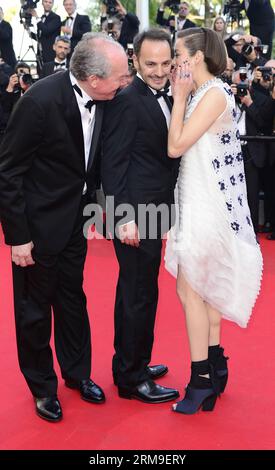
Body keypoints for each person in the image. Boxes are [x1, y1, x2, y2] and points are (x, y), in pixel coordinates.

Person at [0, 33, 128, 422]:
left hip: (76, 222)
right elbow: (8, 173)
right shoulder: (39, 102)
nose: (126, 83)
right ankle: (42, 386)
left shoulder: (106, 99)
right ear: (92, 77)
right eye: (120, 77)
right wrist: (18, 237)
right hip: (36, 229)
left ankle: (77, 374)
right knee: (35, 310)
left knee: (73, 300)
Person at [165, 27, 263, 414]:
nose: (175, 60)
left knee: (190, 293)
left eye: (178, 53)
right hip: (199, 201)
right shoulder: (210, 93)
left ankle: (201, 379)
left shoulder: (211, 95)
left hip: (209, 208)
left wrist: (178, 97)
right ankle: (216, 363)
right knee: (200, 292)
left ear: (198, 56)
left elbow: (175, 147)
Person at [101, 28, 180, 404]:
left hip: (155, 210)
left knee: (139, 292)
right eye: (150, 63)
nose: (159, 70)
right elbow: (111, 164)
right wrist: (123, 217)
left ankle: (132, 364)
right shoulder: (126, 101)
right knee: (138, 295)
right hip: (137, 215)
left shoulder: (163, 94)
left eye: (165, 63)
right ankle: (132, 379)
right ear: (135, 60)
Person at [30, 0, 61, 64]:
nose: (48, 4)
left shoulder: (56, 18)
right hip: (40, 53)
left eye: (50, 2)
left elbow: (46, 31)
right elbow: (40, 37)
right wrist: (29, 31)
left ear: (52, 4)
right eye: (46, 2)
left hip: (50, 54)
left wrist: (36, 17)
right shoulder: (41, 18)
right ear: (42, 3)